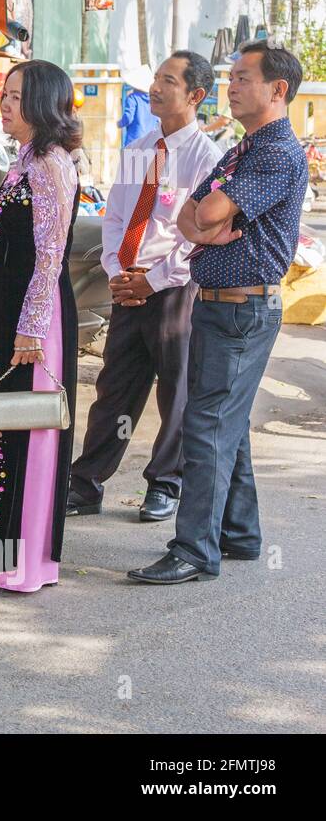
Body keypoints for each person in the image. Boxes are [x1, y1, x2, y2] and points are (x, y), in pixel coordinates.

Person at [129, 40, 307, 585]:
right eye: (231, 77)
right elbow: (191, 215)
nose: (232, 87)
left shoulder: (277, 151)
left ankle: (193, 551)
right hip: (215, 306)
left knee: (205, 426)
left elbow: (206, 210)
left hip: (241, 310)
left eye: (243, 78)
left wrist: (207, 218)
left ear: (278, 90)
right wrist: (205, 221)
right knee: (225, 423)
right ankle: (238, 534)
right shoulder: (241, 149)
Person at [68, 52, 223, 522]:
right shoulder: (139, 148)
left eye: (168, 81)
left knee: (175, 388)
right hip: (128, 285)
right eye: (155, 77)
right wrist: (118, 270)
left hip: (174, 289)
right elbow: (116, 215)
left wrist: (151, 282)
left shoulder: (206, 159)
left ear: (194, 95)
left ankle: (165, 483)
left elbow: (199, 235)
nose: (155, 87)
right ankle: (87, 481)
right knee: (115, 387)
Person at [0, 60, 82, 593]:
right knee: (2, 424)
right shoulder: (25, 158)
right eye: (5, 93)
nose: (5, 104)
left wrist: (31, 329)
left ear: (42, 103)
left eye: (17, 95)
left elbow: (50, 254)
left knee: (25, 422)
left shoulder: (51, 163)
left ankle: (25, 561)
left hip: (32, 317)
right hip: (6, 308)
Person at [120, 64, 158, 148]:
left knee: (129, 161)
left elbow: (128, 118)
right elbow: (158, 121)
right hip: (151, 141)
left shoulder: (132, 98)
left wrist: (119, 124)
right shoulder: (155, 99)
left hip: (134, 141)